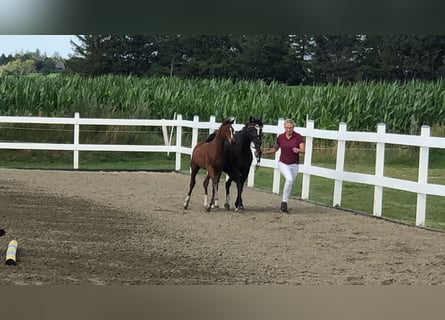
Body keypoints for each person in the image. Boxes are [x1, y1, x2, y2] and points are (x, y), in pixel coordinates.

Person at [260, 119, 305, 213]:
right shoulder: (280, 137)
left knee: (290, 184)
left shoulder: (298, 137)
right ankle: (284, 203)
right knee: (289, 179)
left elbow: (303, 149)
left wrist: (298, 150)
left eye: (290, 128)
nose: (289, 129)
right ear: (284, 127)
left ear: (293, 128)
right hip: (283, 163)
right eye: (287, 127)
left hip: (294, 164)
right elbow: (275, 149)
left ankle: (285, 203)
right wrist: (263, 153)